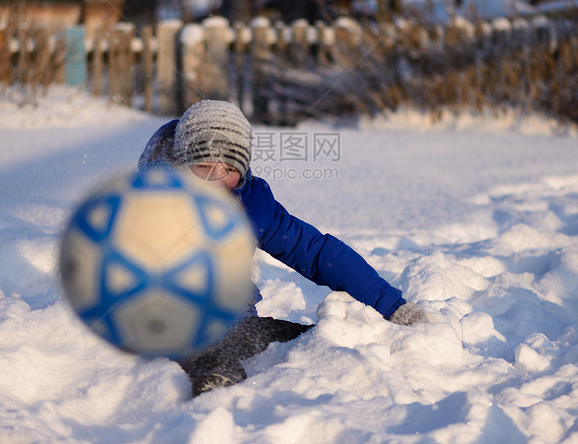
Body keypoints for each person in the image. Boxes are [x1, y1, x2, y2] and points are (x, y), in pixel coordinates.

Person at [138, 99, 427, 396]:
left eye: (229, 168)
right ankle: (215, 391)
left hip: (236, 324)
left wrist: (391, 304)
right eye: (204, 167)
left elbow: (315, 252)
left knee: (313, 343)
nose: (218, 181)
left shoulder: (249, 204)